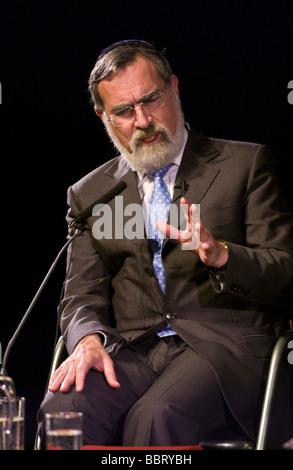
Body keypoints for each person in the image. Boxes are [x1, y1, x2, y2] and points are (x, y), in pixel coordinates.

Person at [38, 39, 293, 447]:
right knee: (63, 409)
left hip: (221, 351)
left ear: (174, 87)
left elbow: (285, 271)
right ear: (103, 116)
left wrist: (222, 255)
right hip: (133, 350)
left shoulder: (244, 166)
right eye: (123, 111)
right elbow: (79, 296)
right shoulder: (90, 194)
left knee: (157, 416)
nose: (142, 120)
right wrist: (87, 339)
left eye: (151, 100)